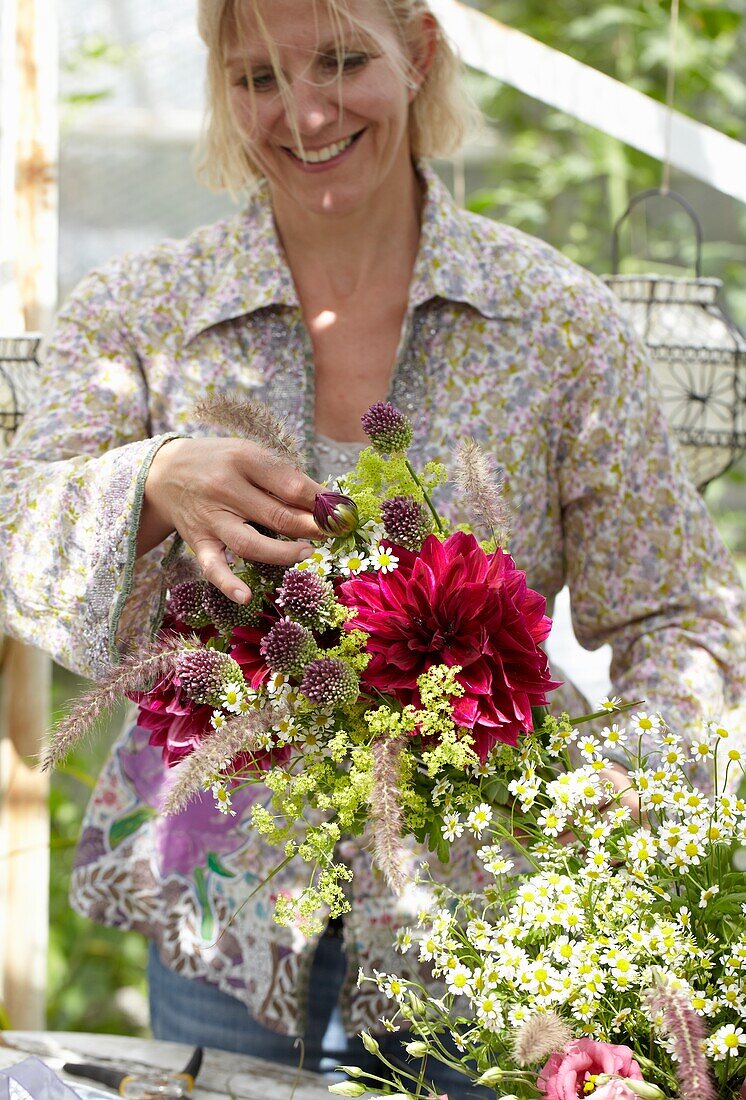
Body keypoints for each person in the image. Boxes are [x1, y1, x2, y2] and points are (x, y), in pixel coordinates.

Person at [1, 0, 743, 1088]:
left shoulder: (553, 319)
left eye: (342, 60)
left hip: (481, 925)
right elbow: (19, 527)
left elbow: (678, 608)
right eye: (256, 79)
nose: (302, 113)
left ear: (420, 54)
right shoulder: (142, 312)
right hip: (223, 910)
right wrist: (150, 482)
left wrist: (603, 793)